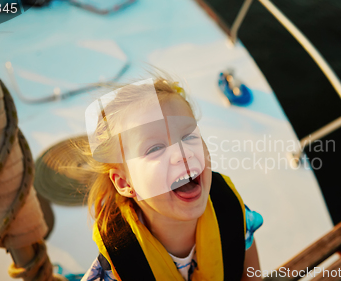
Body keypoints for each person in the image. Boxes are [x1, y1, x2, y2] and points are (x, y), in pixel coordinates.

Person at [79, 75, 263, 281]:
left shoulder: (231, 212)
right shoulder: (114, 270)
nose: (182, 154)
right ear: (124, 183)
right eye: (155, 148)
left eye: (188, 137)